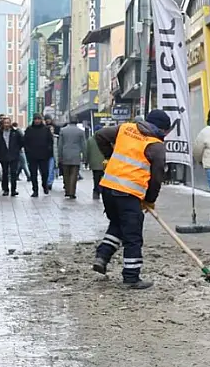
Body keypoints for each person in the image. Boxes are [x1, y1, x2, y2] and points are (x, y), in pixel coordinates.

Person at [92, 110, 171, 289]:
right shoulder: (156, 145)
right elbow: (157, 177)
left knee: (118, 224)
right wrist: (149, 200)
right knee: (133, 236)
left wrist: (109, 156)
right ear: (163, 129)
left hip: (108, 188)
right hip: (128, 193)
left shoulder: (126, 128)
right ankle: (131, 277)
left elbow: (100, 135)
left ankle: (102, 256)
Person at [24, 114, 54, 197]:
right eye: (35, 119)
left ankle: (45, 185)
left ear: (41, 120)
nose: (37, 121)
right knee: (33, 174)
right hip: (32, 156)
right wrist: (28, 152)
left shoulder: (46, 129)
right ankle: (35, 190)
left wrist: (48, 151)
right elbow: (25, 142)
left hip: (44, 155)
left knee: (45, 173)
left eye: (38, 119)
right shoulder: (29, 129)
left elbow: (50, 141)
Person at [0, 117, 24, 196]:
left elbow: (21, 141)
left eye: (8, 123)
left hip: (14, 155)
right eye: (5, 123)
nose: (6, 125)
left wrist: (17, 149)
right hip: (3, 155)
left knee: (13, 173)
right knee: (5, 173)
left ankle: (13, 189)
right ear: (3, 124)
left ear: (10, 123)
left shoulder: (15, 132)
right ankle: (5, 189)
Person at [58, 121, 87, 199]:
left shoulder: (63, 130)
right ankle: (72, 192)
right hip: (76, 155)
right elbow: (84, 145)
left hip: (65, 154)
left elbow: (60, 145)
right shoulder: (81, 132)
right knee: (74, 175)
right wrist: (85, 157)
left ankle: (67, 190)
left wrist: (59, 157)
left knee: (66, 174)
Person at [86, 127, 107, 200]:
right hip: (104, 163)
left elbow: (87, 152)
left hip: (94, 163)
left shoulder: (90, 140)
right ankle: (102, 191)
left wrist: (87, 161)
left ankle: (96, 192)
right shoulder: (105, 139)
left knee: (96, 178)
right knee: (104, 178)